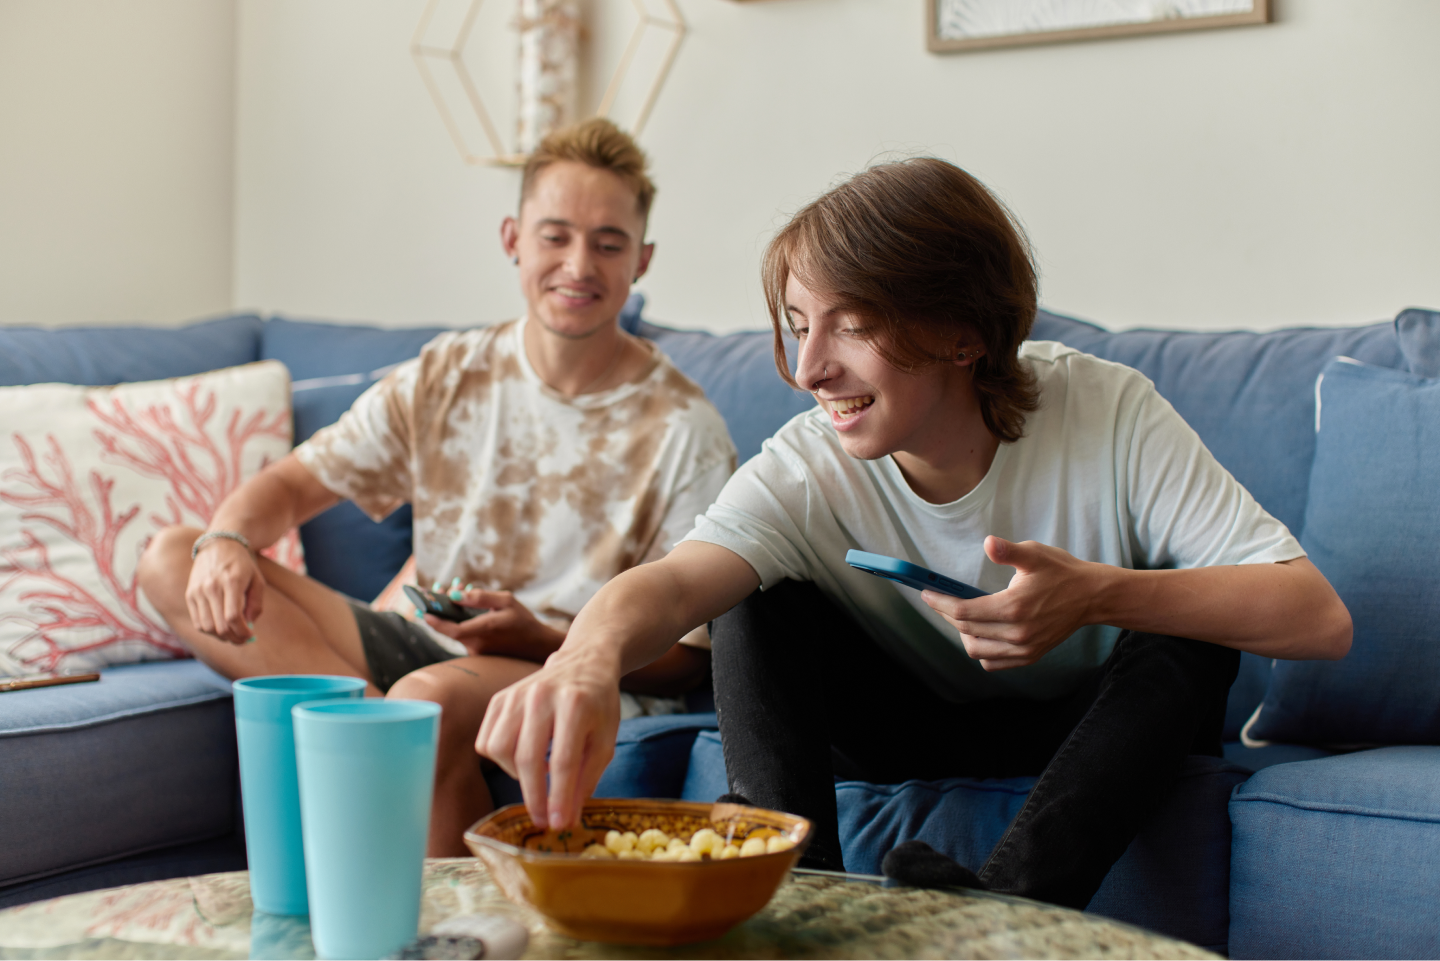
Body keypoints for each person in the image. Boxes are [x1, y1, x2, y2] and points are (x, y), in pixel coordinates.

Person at [473, 157, 1352, 908]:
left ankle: (1008, 906)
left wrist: (1096, 593)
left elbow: (1317, 618)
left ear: (961, 331)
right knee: (756, 603)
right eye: (798, 325)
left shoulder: (1107, 410)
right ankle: (797, 904)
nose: (813, 367)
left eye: (850, 324)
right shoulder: (810, 462)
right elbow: (674, 583)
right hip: (902, 721)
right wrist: (583, 660)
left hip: (1092, 733)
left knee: (1188, 641)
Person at [137, 118, 736, 856]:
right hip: (422, 639)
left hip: (560, 665)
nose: (579, 263)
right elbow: (293, 484)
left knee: (423, 703)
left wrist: (547, 637)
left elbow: (690, 656)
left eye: (607, 243)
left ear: (640, 260)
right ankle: (375, 735)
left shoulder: (685, 426)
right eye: (555, 235)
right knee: (173, 553)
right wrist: (226, 541)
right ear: (512, 238)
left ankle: (383, 753)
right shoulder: (448, 373)